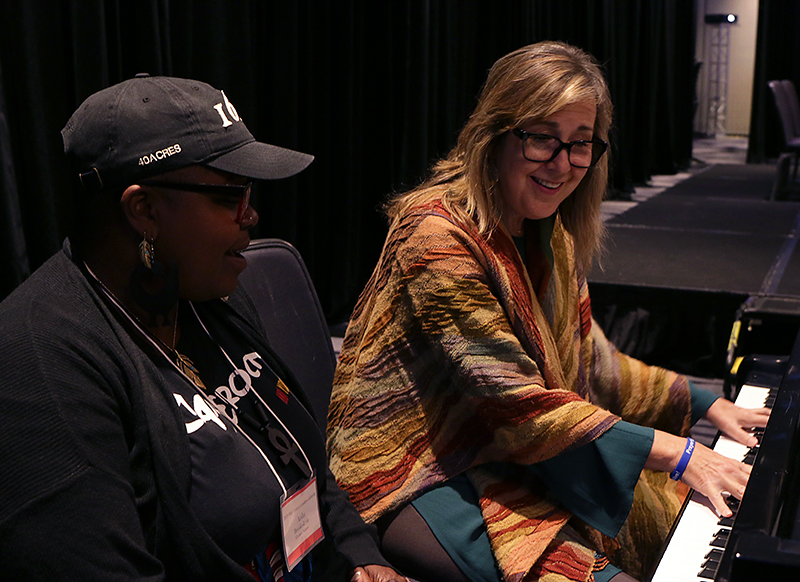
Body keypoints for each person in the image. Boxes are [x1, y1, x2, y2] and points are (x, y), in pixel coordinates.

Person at [326, 42, 770, 582]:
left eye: (580, 144)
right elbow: (516, 403)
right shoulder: (435, 235)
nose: (562, 164)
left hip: (516, 453)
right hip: (423, 471)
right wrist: (678, 454)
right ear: (493, 134)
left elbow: (590, 359)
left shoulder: (546, 230)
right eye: (542, 138)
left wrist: (705, 403)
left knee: (692, 520)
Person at [0, 74, 406, 582]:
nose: (251, 214)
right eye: (228, 196)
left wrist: (361, 557)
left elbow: (304, 464)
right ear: (143, 210)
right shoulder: (42, 368)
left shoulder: (205, 295)